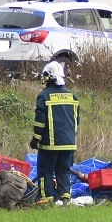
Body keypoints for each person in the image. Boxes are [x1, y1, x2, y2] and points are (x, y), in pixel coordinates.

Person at [30, 60, 80, 205]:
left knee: (45, 171)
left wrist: (35, 139)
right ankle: (65, 199)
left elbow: (40, 121)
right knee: (64, 171)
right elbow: (77, 121)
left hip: (49, 145)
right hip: (69, 144)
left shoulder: (44, 96)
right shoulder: (73, 96)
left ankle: (47, 201)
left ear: (48, 77)